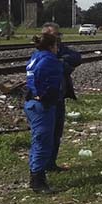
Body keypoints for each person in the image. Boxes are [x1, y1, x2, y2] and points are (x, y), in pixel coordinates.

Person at [24, 33, 64, 194]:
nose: (58, 48)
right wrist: (43, 94)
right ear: (51, 46)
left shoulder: (37, 56)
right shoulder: (49, 60)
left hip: (33, 103)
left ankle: (36, 172)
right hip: (42, 105)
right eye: (56, 45)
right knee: (43, 141)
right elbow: (41, 76)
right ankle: (37, 180)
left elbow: (32, 75)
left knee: (38, 140)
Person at [41, 22, 82, 172]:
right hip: (47, 100)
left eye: (59, 35)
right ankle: (40, 169)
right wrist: (61, 65)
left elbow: (76, 57)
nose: (58, 38)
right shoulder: (42, 54)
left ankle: (51, 163)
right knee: (46, 134)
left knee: (57, 132)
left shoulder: (60, 49)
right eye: (55, 35)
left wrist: (62, 61)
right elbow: (55, 68)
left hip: (59, 97)